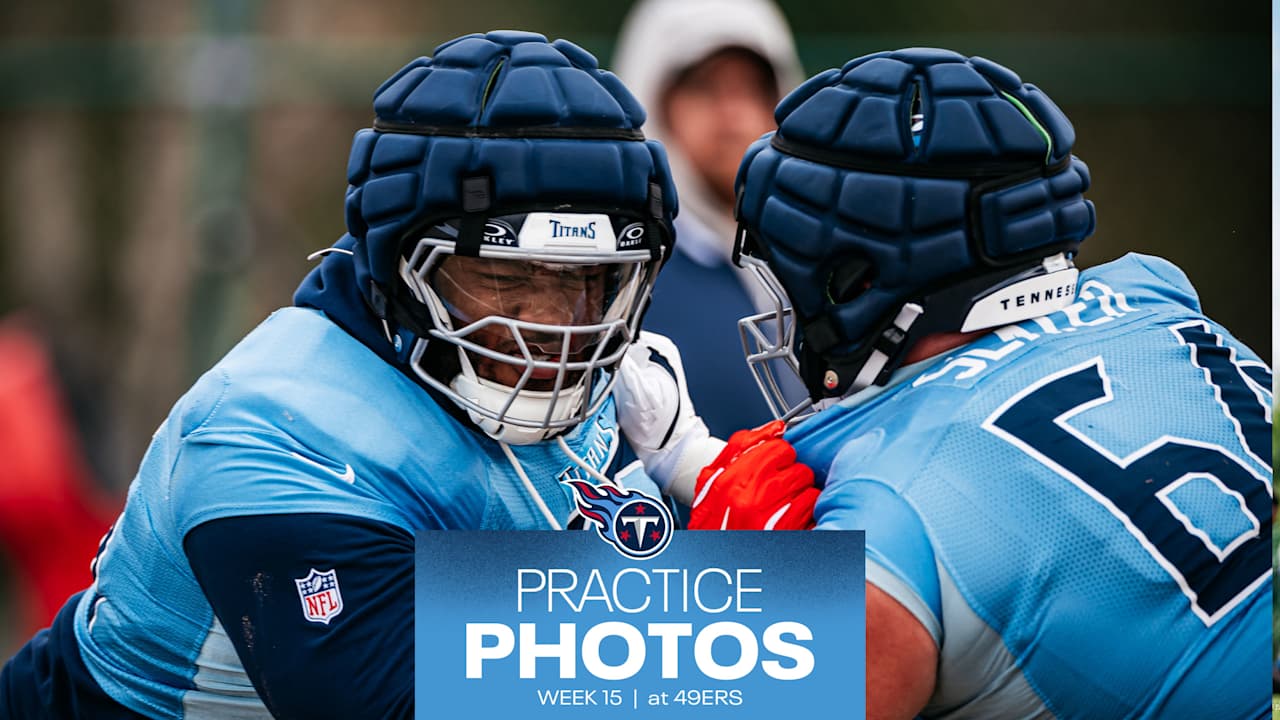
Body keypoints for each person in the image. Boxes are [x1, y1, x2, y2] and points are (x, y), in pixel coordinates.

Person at [0, 30, 678, 719]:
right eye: (505, 280)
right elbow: (429, 699)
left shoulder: (621, 385)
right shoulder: (276, 432)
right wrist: (736, 594)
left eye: (586, 281)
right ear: (401, 266)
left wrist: (700, 470)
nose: (551, 329)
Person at [618, 48, 1272, 718]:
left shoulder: (892, 514)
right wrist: (692, 462)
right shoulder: (1153, 294)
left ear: (862, 280)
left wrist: (743, 590)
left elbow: (573, 682)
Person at [613, 0, 805, 437]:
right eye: (704, 88)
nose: (732, 114)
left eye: (752, 88)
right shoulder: (624, 271)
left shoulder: (819, 254)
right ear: (653, 100)